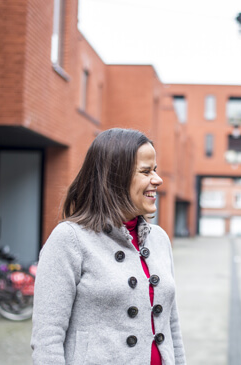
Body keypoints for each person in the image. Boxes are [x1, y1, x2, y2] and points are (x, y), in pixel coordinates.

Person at [31, 128, 186, 365]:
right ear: (115, 178)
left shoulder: (159, 240)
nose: (157, 179)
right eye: (145, 171)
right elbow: (47, 340)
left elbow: (171, 325)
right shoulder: (69, 239)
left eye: (154, 170)